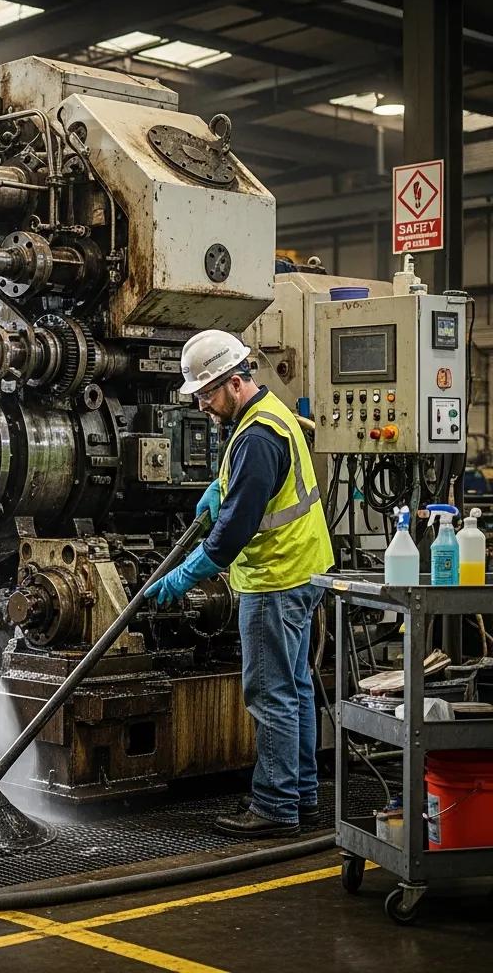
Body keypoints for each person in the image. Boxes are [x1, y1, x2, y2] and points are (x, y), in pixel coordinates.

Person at [144, 329, 334, 838]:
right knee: (293, 690)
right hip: (302, 571)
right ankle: (303, 796)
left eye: (206, 394)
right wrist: (219, 488)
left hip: (275, 579)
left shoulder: (255, 435)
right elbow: (256, 489)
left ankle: (275, 806)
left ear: (233, 382)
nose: (203, 406)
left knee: (270, 693)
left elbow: (230, 536)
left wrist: (182, 576)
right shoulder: (270, 413)